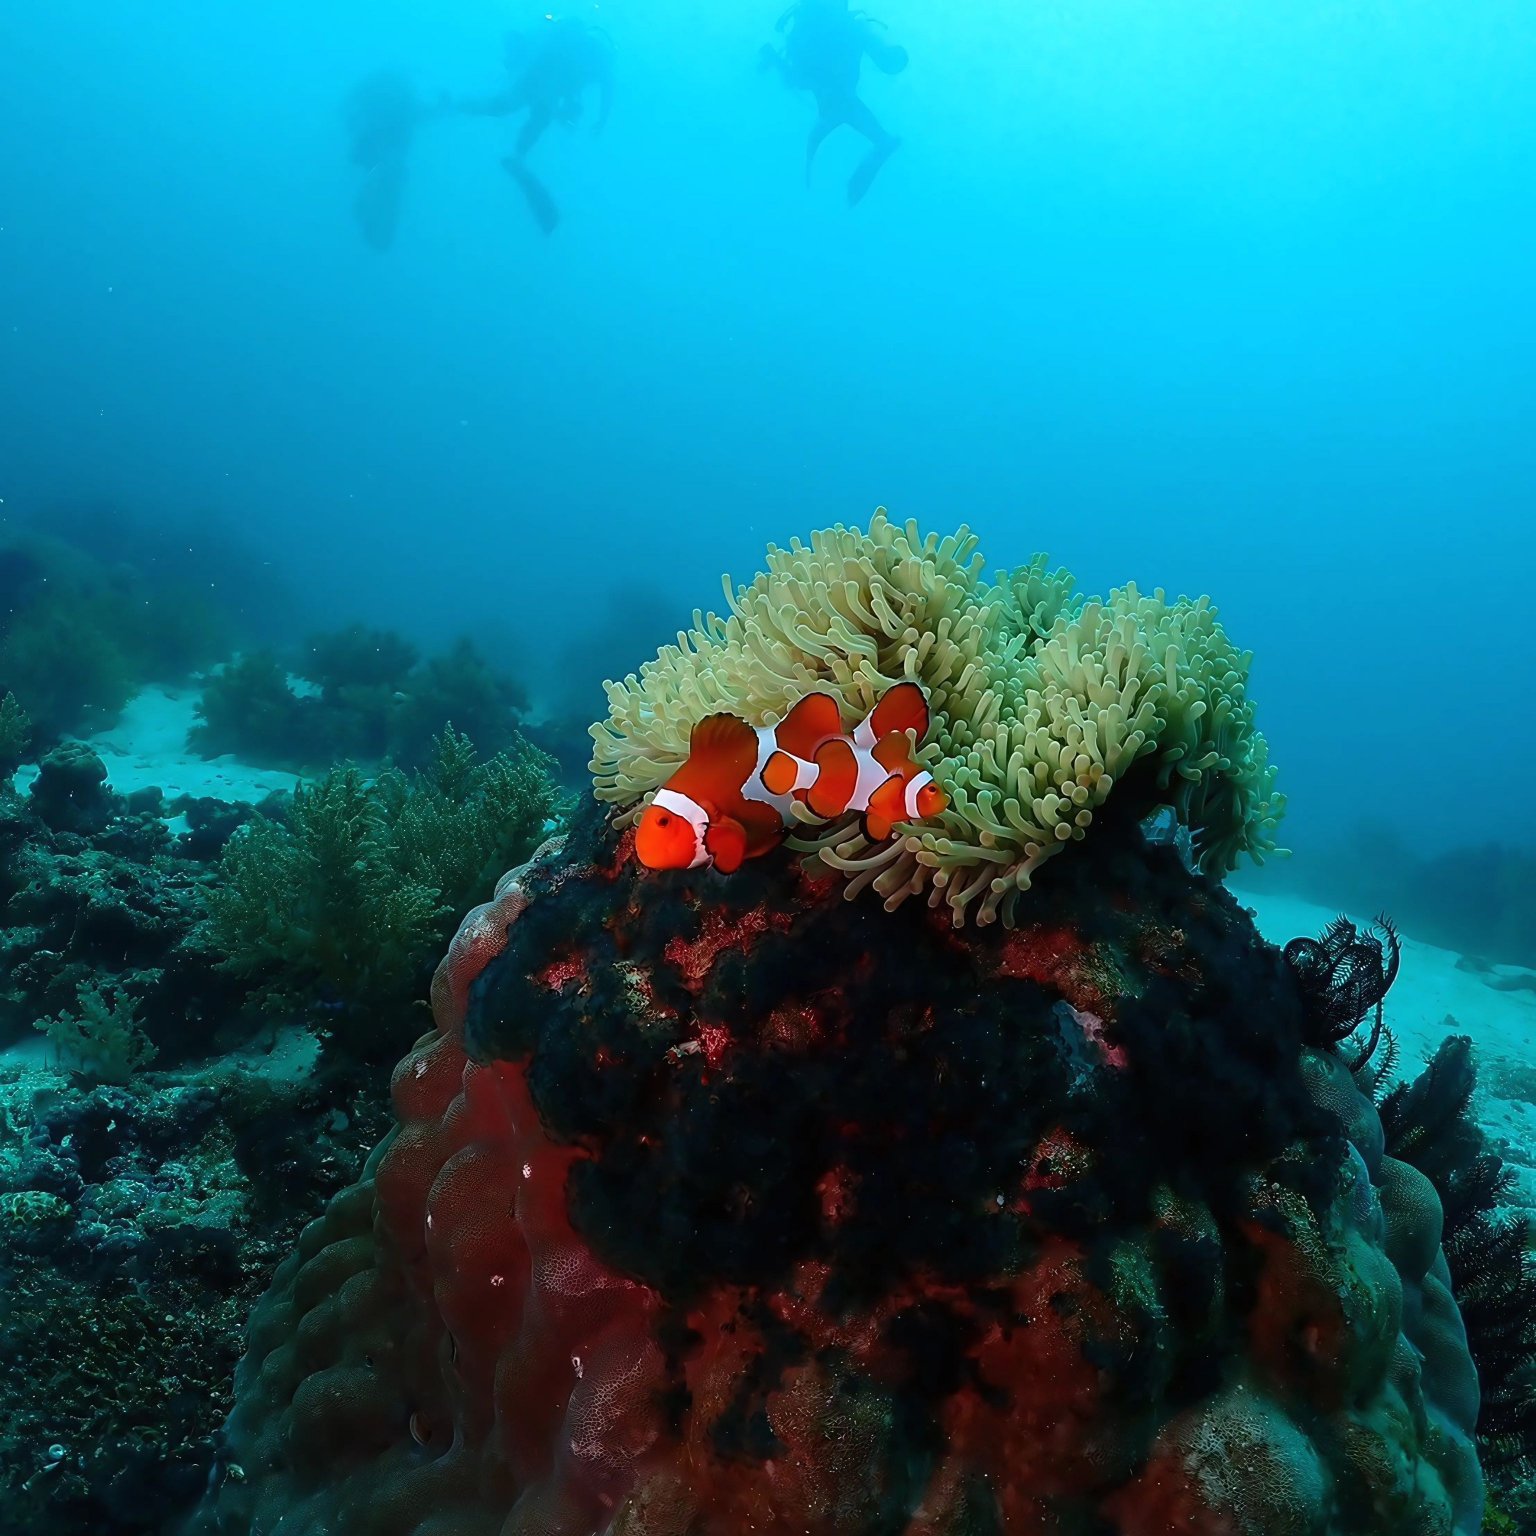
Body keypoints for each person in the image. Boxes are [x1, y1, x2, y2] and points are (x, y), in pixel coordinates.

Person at [456, 16, 615, 234]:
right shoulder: (601, 61)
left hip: (545, 76)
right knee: (529, 114)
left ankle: (461, 106)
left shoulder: (591, 56)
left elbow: (602, 91)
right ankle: (517, 154)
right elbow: (607, 92)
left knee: (513, 109)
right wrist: (600, 121)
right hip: (546, 76)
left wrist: (597, 118)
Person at [760, 0, 909, 205]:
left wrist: (773, 60)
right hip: (835, 91)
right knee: (873, 134)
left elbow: (798, 77)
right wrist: (890, 55)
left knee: (813, 90)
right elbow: (888, 60)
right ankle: (880, 147)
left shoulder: (834, 25)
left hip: (830, 90)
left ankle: (879, 147)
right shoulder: (849, 26)